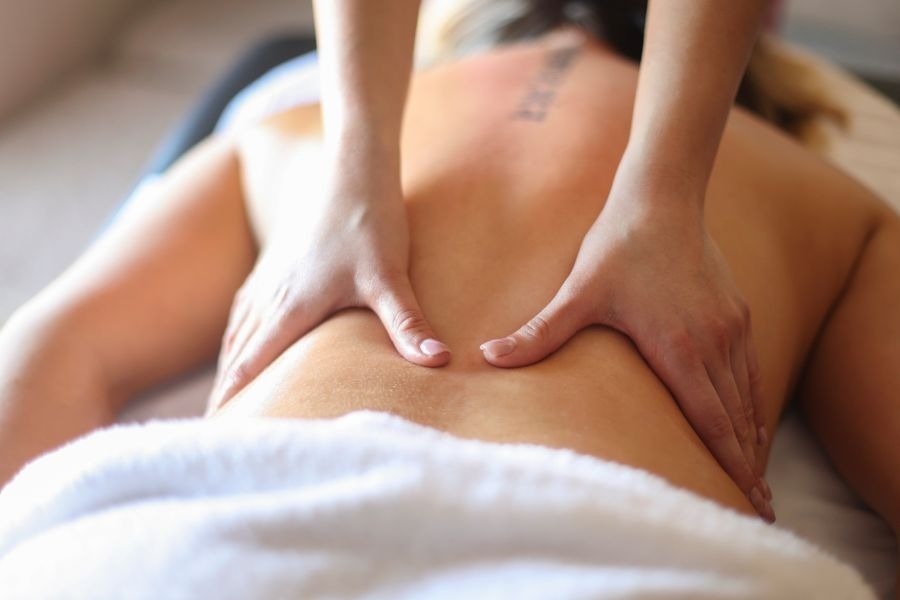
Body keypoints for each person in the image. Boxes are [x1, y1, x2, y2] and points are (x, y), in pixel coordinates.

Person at [2, 3, 900, 554]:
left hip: (212, 531)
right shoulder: (831, 200)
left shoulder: (281, 136)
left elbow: (54, 346)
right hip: (620, 554)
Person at [210, 0, 775, 514]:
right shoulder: (806, 184)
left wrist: (348, 177)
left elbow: (114, 347)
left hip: (263, 495)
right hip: (610, 524)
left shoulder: (279, 133)